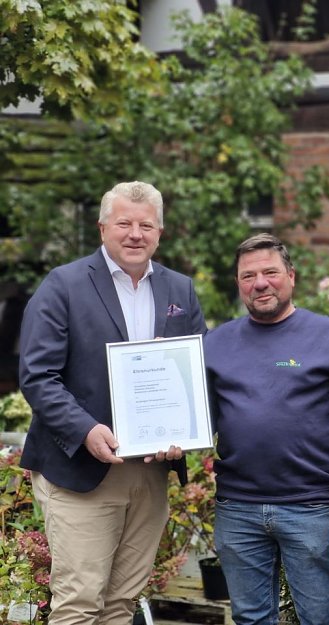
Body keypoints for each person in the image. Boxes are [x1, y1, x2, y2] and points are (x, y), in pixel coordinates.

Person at [18, 181, 206, 624]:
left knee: (121, 603)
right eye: (124, 223)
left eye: (146, 225)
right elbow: (38, 376)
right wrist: (85, 429)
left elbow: (197, 374)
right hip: (81, 470)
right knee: (79, 603)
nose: (135, 234)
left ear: (160, 232)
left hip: (151, 471)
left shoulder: (180, 290)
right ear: (102, 228)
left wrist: (184, 431)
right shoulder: (63, 285)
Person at [204, 233, 329, 625]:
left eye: (270, 272)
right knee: (250, 618)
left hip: (310, 505)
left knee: (322, 618)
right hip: (238, 506)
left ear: (291, 276)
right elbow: (195, 418)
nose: (260, 283)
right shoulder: (215, 343)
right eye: (248, 275)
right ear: (238, 283)